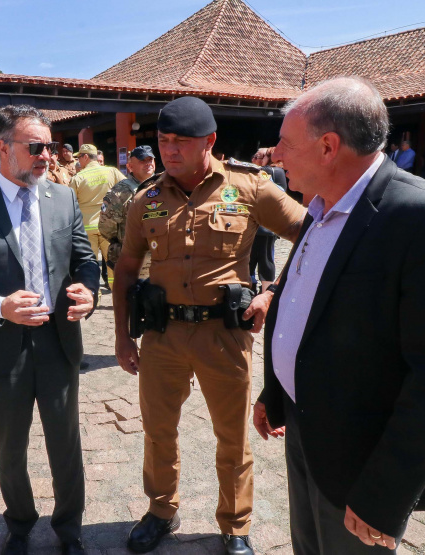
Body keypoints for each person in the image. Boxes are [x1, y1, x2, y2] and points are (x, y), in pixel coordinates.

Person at [253, 76, 425, 555]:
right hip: (305, 427)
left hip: (363, 458)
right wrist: (275, 392)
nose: (276, 154)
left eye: (284, 143)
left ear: (328, 147)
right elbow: (304, 305)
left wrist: (385, 494)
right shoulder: (319, 206)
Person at [113, 96, 305, 555]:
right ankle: (161, 509)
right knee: (159, 430)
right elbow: (125, 269)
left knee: (232, 436)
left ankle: (235, 526)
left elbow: (312, 232)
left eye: (182, 141)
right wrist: (122, 335)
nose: (170, 151)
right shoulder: (148, 198)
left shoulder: (250, 188)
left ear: (210, 141)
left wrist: (272, 293)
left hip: (225, 335)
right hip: (163, 336)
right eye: (163, 141)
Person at [0, 105, 99, 555]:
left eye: (49, 147)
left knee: (65, 442)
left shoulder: (62, 197)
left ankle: (69, 530)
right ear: (3, 148)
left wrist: (89, 292)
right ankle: (19, 524)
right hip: (4, 345)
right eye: (35, 147)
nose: (46, 156)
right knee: (10, 445)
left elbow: (85, 261)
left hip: (57, 340)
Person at [68, 144, 126, 290]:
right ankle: (117, 297)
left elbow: (69, 204)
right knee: (114, 264)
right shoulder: (112, 172)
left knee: (89, 266)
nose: (78, 161)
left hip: (86, 229)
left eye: (79, 157)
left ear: (85, 157)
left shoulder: (78, 178)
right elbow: (128, 189)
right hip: (110, 227)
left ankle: (94, 297)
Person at [98, 145, 156, 277]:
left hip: (160, 259)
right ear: (130, 167)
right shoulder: (121, 192)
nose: (148, 164)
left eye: (150, 160)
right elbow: (106, 227)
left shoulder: (163, 185)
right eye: (142, 161)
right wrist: (122, 240)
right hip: (134, 260)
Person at [246, 149, 288, 293]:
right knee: (256, 259)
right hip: (262, 226)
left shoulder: (271, 172)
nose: (254, 159)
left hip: (264, 226)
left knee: (264, 260)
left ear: (268, 159)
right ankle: (252, 289)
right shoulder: (276, 172)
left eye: (258, 156)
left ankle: (264, 292)